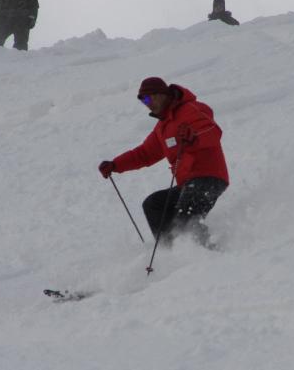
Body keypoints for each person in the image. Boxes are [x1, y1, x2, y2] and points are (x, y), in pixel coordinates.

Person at [98, 77, 229, 248]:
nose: (147, 104)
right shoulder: (162, 128)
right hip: (187, 184)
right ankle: (170, 250)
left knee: (186, 217)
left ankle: (207, 253)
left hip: (209, 177)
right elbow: (144, 154)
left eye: (148, 98)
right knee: (153, 204)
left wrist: (194, 137)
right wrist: (115, 165)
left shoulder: (191, 109)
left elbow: (212, 131)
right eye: (143, 101)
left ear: (160, 94)